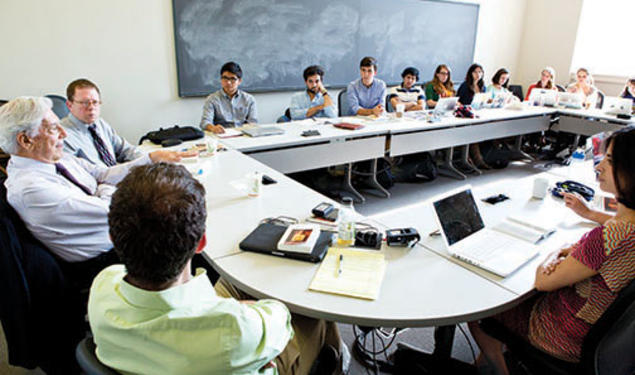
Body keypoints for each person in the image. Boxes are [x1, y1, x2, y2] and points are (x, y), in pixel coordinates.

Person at [89, 163, 344, 375]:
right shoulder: (233, 330)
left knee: (235, 280)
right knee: (308, 303)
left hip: (202, 351)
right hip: (241, 343)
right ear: (202, 242)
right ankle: (336, 363)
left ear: (112, 237)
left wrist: (239, 315)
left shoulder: (102, 286)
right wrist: (247, 311)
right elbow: (279, 315)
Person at [469, 127, 635, 375]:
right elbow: (616, 225)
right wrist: (589, 215)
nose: (599, 167)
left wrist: (554, 252)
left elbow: (543, 281)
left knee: (481, 305)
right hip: (602, 336)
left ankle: (499, 368)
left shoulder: (607, 238)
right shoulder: (626, 226)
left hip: (563, 334)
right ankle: (490, 358)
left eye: (610, 161)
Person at [0, 97, 189, 287]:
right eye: (53, 128)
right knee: (181, 229)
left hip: (118, 238)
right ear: (26, 140)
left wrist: (149, 159)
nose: (64, 134)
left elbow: (102, 173)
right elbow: (112, 210)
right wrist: (103, 187)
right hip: (104, 262)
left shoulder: (55, 158)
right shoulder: (30, 189)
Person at [61, 79, 143, 167]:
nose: (91, 107)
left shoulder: (100, 124)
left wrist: (148, 160)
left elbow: (125, 149)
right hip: (97, 179)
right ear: (69, 105)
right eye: (85, 103)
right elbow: (76, 174)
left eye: (95, 102)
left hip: (117, 174)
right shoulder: (62, 135)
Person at [200, 61, 258, 134]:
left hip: (243, 135)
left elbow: (253, 122)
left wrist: (248, 129)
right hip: (221, 136)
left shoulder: (249, 99)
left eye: (233, 79)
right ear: (221, 79)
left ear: (239, 81)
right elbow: (204, 122)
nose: (228, 82)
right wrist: (213, 128)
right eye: (225, 78)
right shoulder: (212, 99)